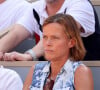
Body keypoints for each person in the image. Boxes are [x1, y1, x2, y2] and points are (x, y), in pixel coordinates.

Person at [0, 0, 96, 60]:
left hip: (79, 71)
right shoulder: (36, 8)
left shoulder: (80, 4)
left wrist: (29, 55)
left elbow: (60, 32)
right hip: (46, 73)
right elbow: (16, 34)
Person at [23, 14, 94, 90]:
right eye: (45, 37)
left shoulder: (80, 72)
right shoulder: (35, 70)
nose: (48, 43)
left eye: (54, 38)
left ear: (71, 42)